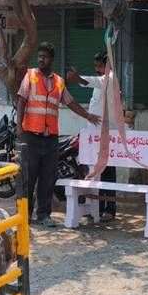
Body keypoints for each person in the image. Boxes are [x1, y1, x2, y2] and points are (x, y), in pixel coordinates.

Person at [16, 42, 100, 226]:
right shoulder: (30, 76)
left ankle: (44, 215)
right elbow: (21, 100)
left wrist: (87, 115)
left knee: (48, 178)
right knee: (29, 177)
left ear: (51, 59)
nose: (41, 60)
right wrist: (19, 127)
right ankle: (25, 215)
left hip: (51, 138)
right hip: (31, 135)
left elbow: (70, 102)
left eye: (44, 57)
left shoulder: (59, 82)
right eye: (39, 56)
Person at [66, 51, 120, 221]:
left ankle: (109, 209)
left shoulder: (110, 79)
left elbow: (96, 81)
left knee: (108, 172)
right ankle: (94, 208)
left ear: (108, 65)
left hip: (107, 137)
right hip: (94, 136)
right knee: (93, 171)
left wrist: (79, 79)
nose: (97, 69)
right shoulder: (101, 83)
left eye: (100, 66)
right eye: (95, 66)